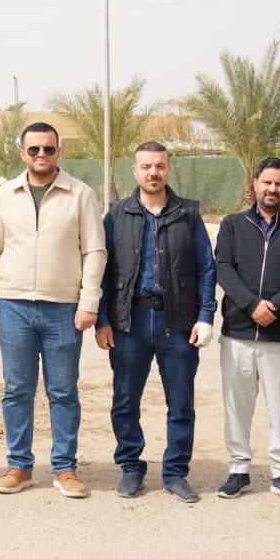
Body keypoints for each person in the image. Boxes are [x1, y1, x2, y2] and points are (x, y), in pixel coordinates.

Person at [0, 122, 106, 498]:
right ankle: (19, 466)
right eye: (34, 149)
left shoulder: (80, 194)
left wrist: (89, 303)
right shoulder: (6, 194)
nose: (41, 155)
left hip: (63, 308)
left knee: (63, 391)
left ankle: (65, 469)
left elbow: (94, 251)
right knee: (16, 390)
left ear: (58, 152)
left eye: (48, 149)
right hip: (13, 304)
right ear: (22, 153)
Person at [96, 141, 216, 503]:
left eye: (160, 166)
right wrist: (102, 320)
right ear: (135, 171)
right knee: (124, 400)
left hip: (177, 323)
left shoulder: (188, 214)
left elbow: (206, 269)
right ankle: (131, 467)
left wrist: (205, 316)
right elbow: (101, 271)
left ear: (168, 169)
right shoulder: (116, 215)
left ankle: (176, 472)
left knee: (181, 403)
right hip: (128, 323)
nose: (153, 172)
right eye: (146, 166)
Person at [214, 157, 280, 502]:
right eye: (267, 182)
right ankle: (238, 470)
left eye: (279, 183)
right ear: (255, 184)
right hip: (238, 334)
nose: (272, 189)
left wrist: (273, 307)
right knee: (236, 406)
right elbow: (223, 268)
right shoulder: (233, 225)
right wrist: (251, 305)